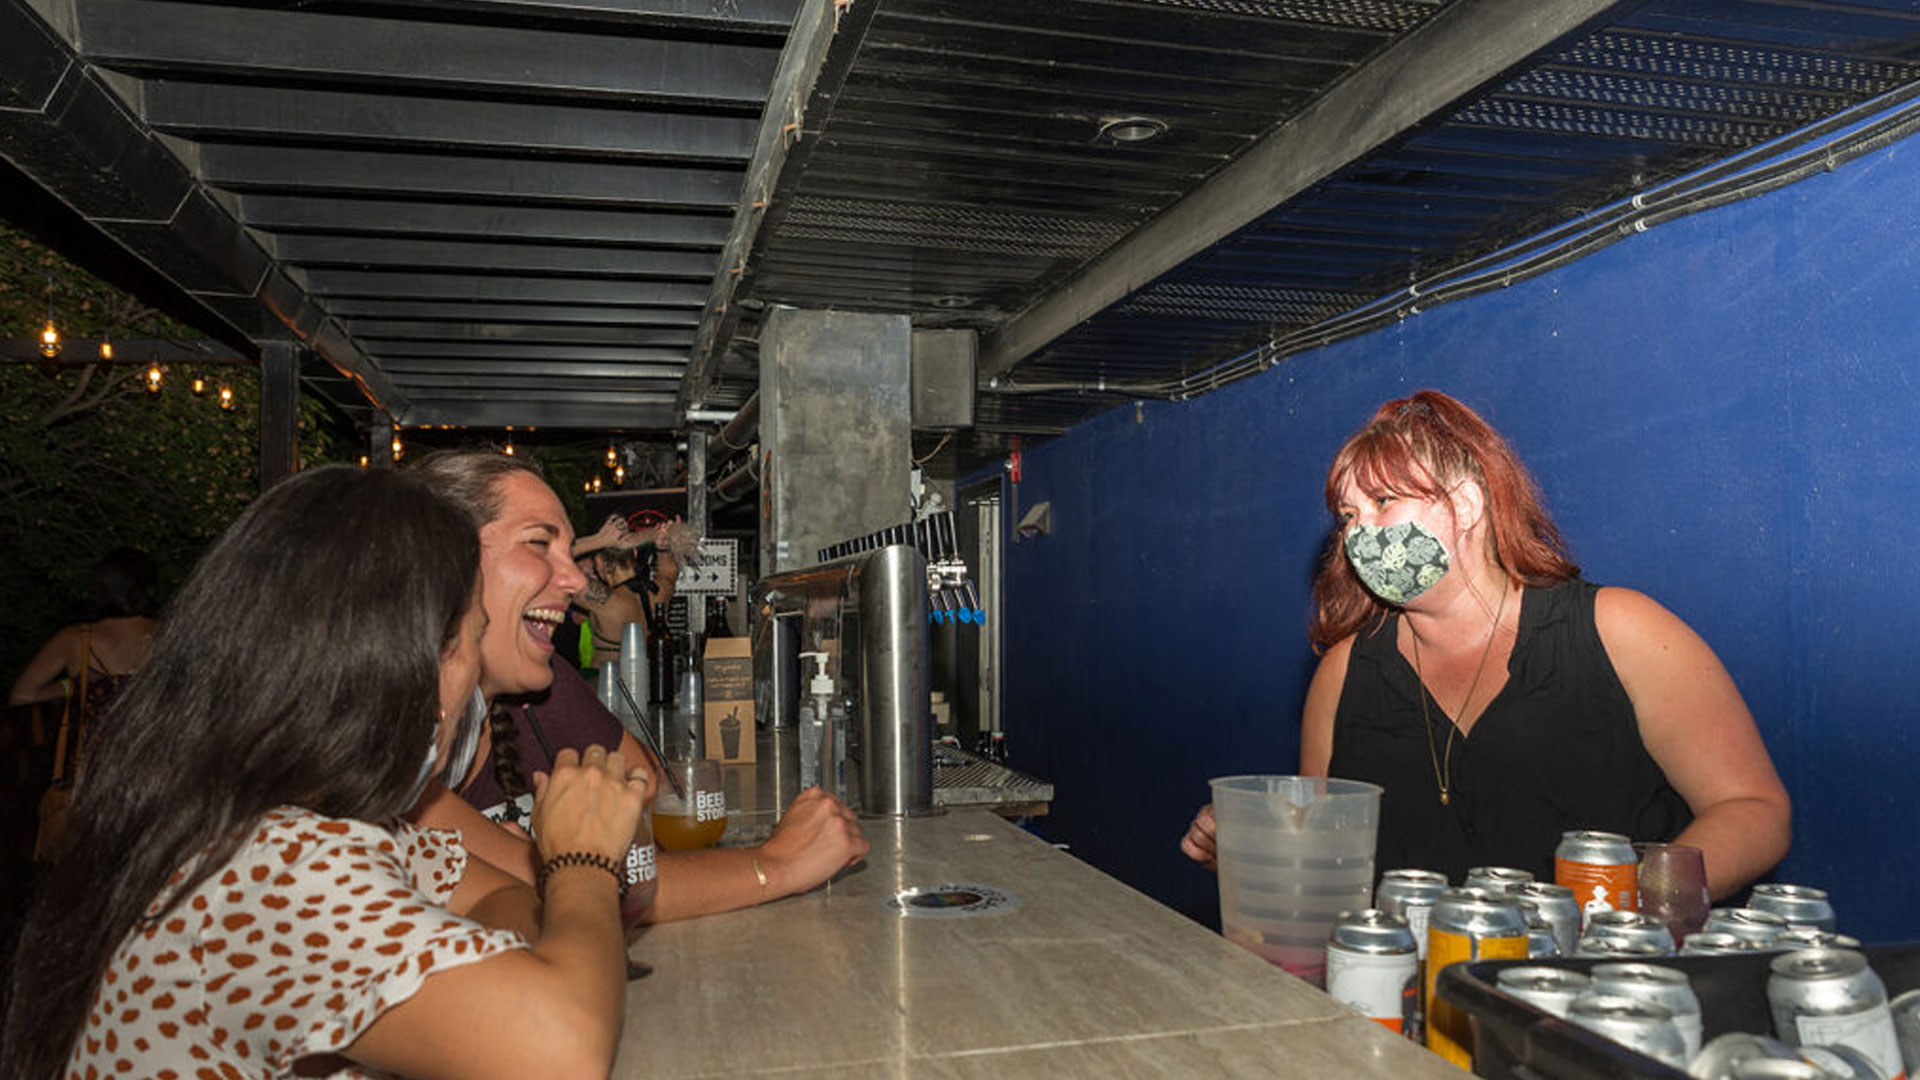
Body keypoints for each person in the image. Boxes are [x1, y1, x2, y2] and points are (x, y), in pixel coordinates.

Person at [0, 465, 648, 1080]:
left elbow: (493, 896)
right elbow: (565, 1051)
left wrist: (511, 959)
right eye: (468, 642)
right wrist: (582, 862)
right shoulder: (269, 864)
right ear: (403, 662)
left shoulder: (277, 811)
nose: (471, 678)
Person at [1181, 390, 1789, 900]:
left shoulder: (1618, 629)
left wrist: (1635, 907)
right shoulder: (1342, 676)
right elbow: (1324, 866)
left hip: (1606, 988)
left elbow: (1753, 808)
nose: (1358, 532)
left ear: (1467, 505)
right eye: (1347, 515)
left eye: (1383, 501)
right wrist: (1251, 853)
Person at [405, 449, 868, 920]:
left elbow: (641, 788)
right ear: (444, 562)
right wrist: (777, 864)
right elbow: (580, 891)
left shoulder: (530, 684)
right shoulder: (390, 728)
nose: (574, 580)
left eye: (570, 552)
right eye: (539, 544)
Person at [9, 546, 160, 722]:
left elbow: (23, 696)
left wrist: (75, 687)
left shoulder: (76, 639)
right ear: (147, 590)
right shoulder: (167, 634)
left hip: (98, 739)